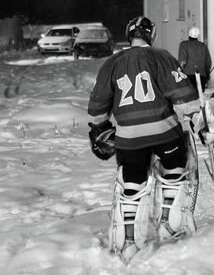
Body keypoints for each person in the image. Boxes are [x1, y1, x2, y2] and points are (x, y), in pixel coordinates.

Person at [87, 15, 200, 260]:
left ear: (130, 35)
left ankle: (128, 241)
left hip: (128, 137)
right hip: (164, 133)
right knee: (174, 170)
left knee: (132, 184)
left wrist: (99, 127)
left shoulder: (112, 62)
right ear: (152, 35)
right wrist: (196, 117)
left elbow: (97, 106)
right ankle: (171, 224)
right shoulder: (160, 56)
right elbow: (184, 95)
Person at [178, 27, 212, 92]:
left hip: (188, 75)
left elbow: (182, 61)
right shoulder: (203, 46)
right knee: (200, 96)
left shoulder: (184, 45)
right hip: (201, 75)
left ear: (189, 35)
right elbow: (208, 62)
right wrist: (207, 73)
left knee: (190, 97)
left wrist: (180, 72)